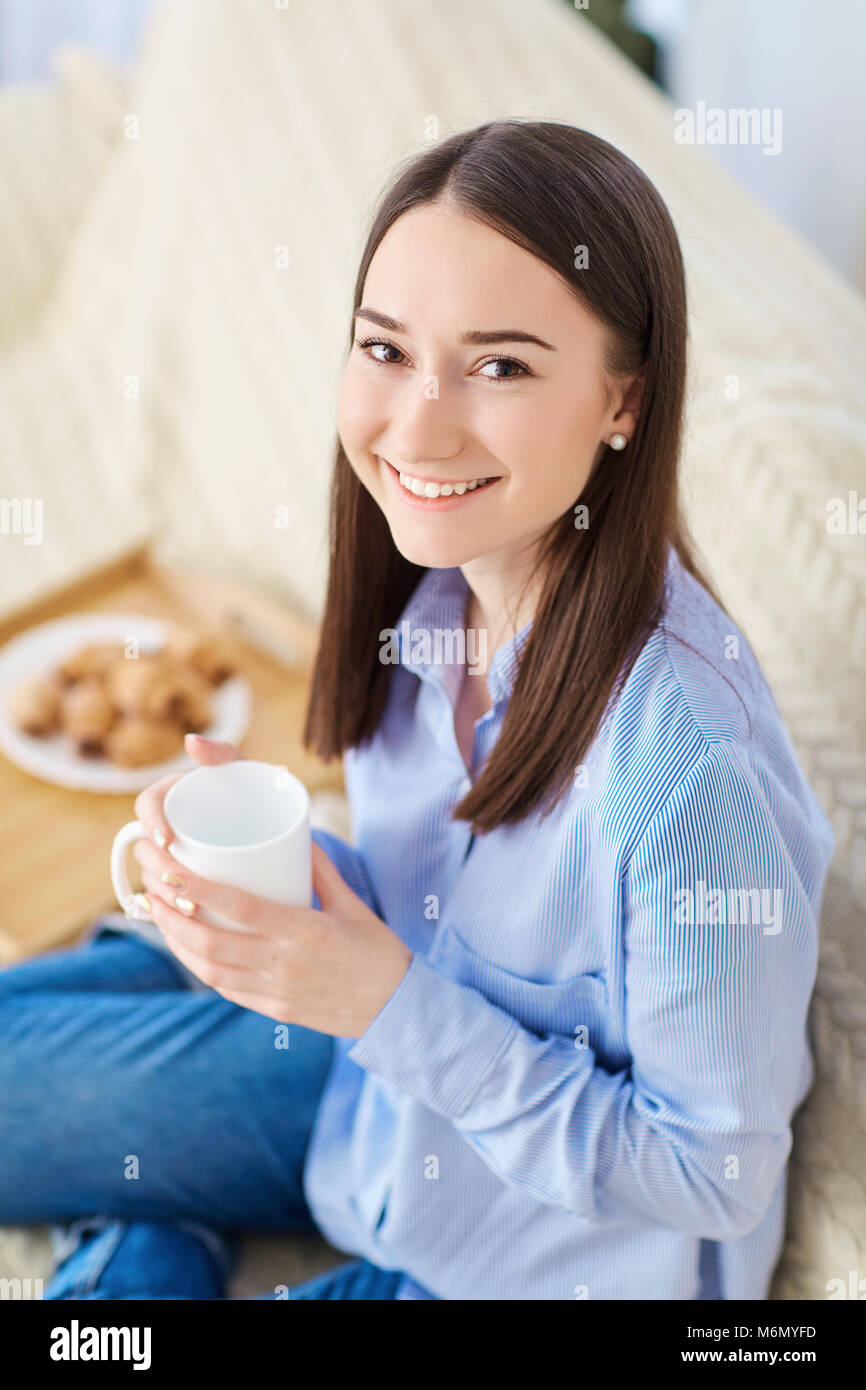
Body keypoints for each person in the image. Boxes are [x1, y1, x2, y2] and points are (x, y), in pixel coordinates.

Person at [0, 120, 834, 1300]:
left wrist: (385, 1007)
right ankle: (158, 1210)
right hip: (363, 1104)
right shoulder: (431, 598)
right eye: (385, 350)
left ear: (622, 405)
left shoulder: (685, 774)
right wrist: (272, 873)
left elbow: (710, 1175)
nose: (418, 426)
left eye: (499, 366)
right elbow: (436, 927)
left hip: (531, 1263)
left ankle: (144, 1235)